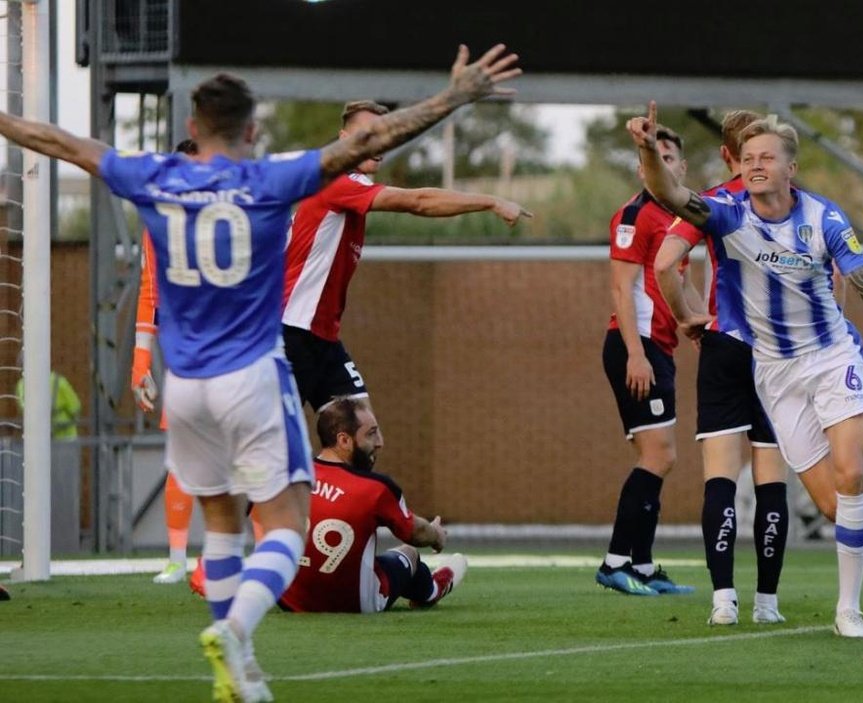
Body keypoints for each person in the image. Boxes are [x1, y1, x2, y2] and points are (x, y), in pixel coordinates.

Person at [0, 42, 522, 701]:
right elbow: (380, 139)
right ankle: (237, 631)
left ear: (193, 128)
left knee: (220, 522)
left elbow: (59, 140)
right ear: (251, 131)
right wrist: (453, 97)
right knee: (286, 526)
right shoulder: (273, 180)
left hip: (186, 384)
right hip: (252, 373)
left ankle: (235, 666)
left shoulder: (154, 174)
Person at [629, 103, 863, 638]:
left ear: (791, 169)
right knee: (834, 504)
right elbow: (669, 195)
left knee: (850, 473)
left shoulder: (824, 219)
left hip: (833, 358)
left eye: (767, 157)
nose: (755, 165)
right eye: (749, 157)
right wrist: (647, 149)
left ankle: (848, 611)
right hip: (776, 374)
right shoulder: (727, 213)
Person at [282, 99, 532, 412]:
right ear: (344, 139)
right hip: (293, 333)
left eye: (387, 138)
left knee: (359, 431)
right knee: (276, 441)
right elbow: (418, 201)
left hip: (324, 337)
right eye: (369, 135)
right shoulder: (339, 181)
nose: (380, 145)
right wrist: (490, 201)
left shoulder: (348, 189)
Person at [595, 124, 695, 597]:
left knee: (661, 456)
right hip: (637, 348)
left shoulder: (680, 218)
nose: (664, 164)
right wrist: (636, 354)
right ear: (643, 168)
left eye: (671, 158)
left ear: (682, 166)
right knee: (660, 455)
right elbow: (621, 288)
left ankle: (643, 564)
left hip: (662, 347)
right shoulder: (636, 214)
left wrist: (697, 323)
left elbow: (679, 282)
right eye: (656, 157)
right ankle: (616, 561)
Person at [278, 396, 466, 613]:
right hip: (354, 604)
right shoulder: (374, 488)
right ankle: (434, 588)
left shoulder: (288, 477)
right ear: (344, 440)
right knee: (409, 552)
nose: (380, 442)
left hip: (289, 601)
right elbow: (416, 534)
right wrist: (437, 535)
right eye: (371, 433)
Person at [131, 139, 200, 585]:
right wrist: (140, 360)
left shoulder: (238, 215)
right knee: (182, 457)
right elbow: (151, 291)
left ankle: (250, 553)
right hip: (184, 354)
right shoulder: (159, 225)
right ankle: (177, 557)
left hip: (238, 352)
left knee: (249, 456)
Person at [15, 356, 81, 440]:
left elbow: (24, 408)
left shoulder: (22, 385)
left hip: (38, 439)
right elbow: (75, 406)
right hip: (66, 436)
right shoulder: (59, 381)